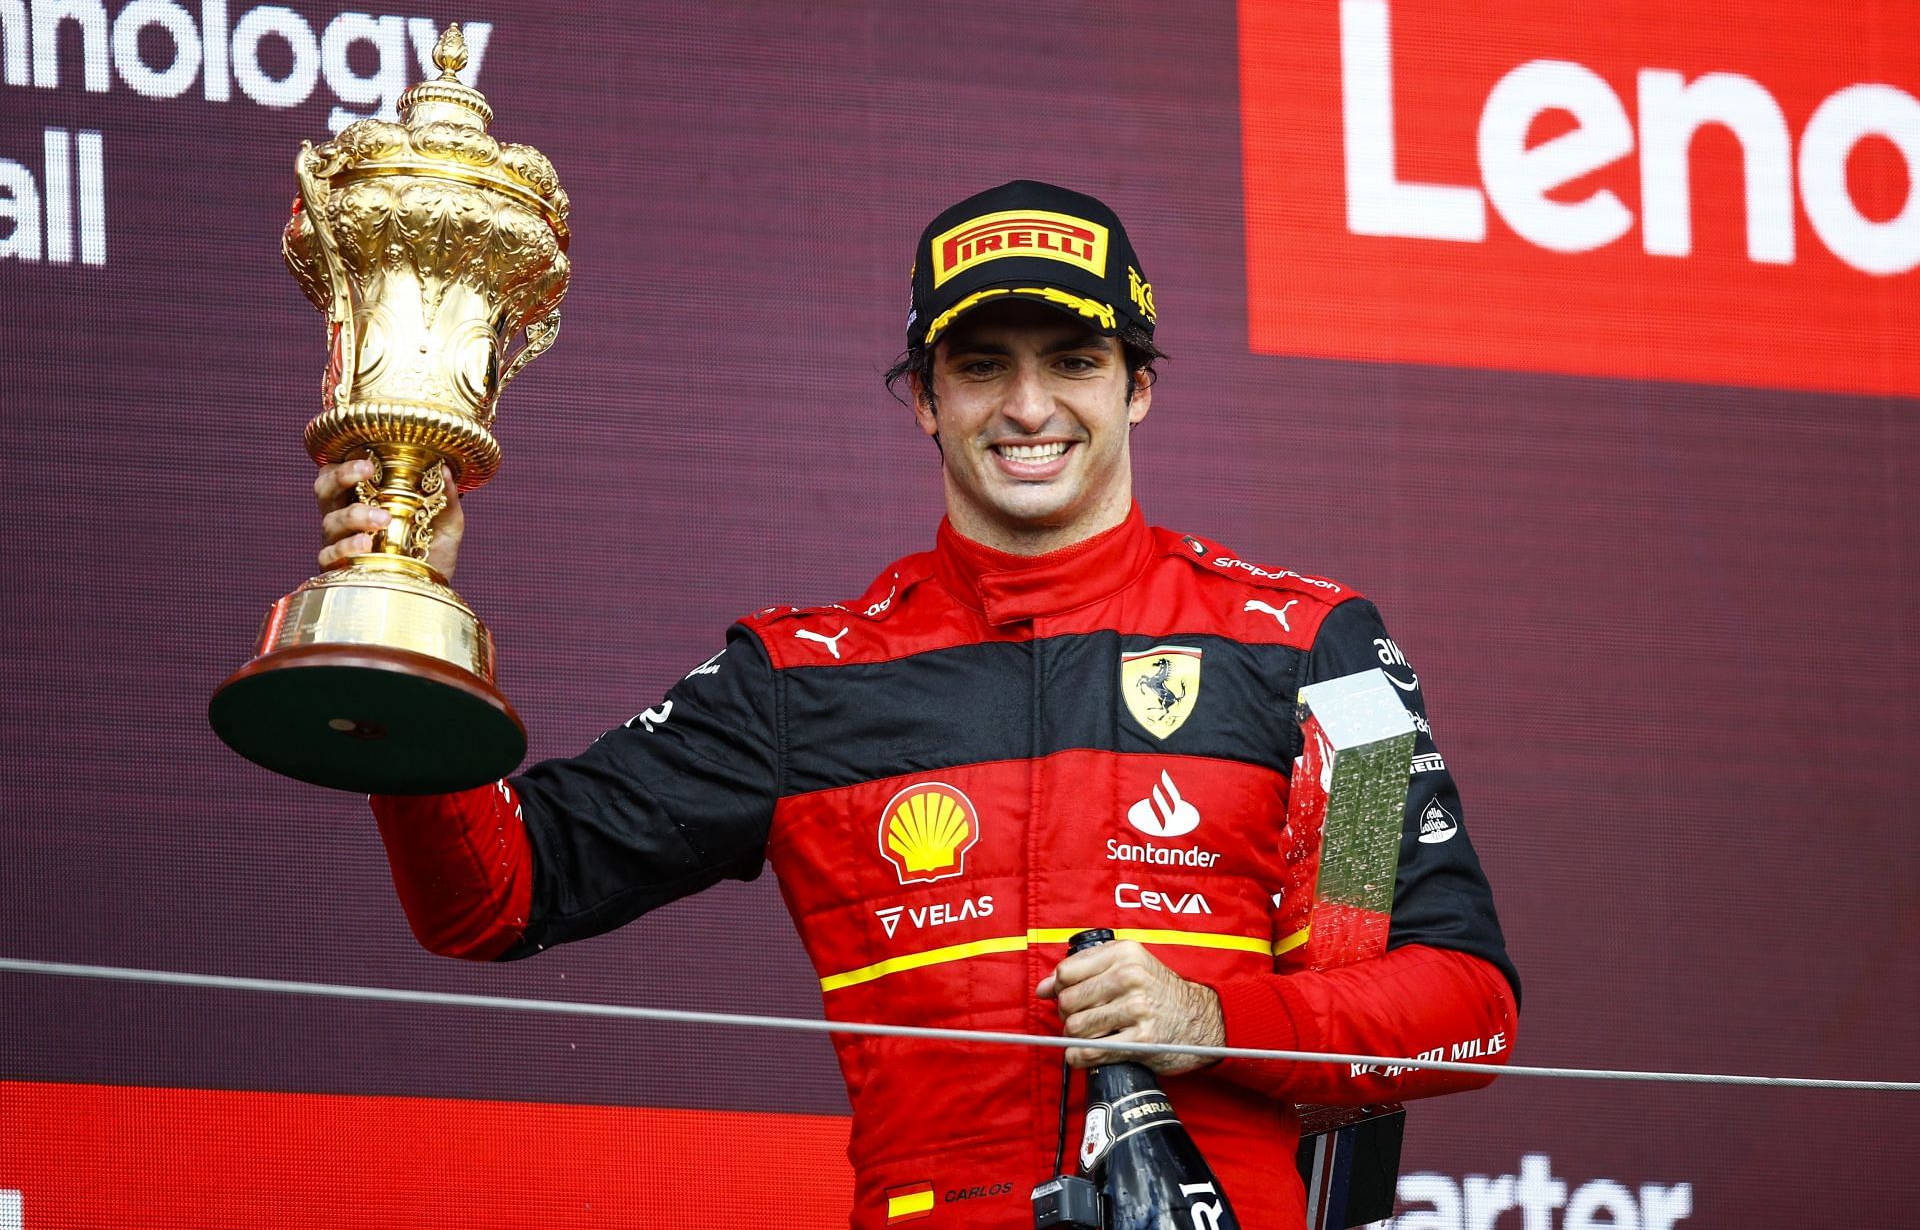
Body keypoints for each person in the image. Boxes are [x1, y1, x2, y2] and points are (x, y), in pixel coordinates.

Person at [315, 180, 1519, 1229]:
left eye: (1076, 361)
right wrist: (401, 622)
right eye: (981, 365)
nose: (1030, 407)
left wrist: (1210, 1012)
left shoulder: (1314, 653)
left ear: (1140, 387)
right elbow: (493, 896)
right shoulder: (805, 677)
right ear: (923, 399)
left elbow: (1462, 1003)